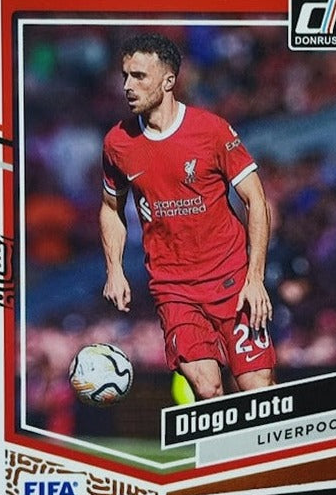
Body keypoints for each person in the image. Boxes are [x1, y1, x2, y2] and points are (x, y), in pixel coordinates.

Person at [100, 32, 276, 400]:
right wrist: (114, 269)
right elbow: (110, 207)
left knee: (257, 387)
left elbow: (255, 200)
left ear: (168, 81)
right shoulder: (118, 143)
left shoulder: (211, 130)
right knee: (207, 389)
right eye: (125, 76)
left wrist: (255, 278)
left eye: (139, 76)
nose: (127, 86)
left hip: (231, 279)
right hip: (174, 288)